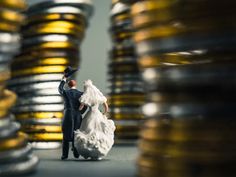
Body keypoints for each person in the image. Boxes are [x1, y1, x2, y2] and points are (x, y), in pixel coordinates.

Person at [74, 80, 115, 160]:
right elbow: (106, 106)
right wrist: (104, 113)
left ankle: (91, 145)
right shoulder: (98, 97)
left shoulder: (88, 97)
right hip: (97, 114)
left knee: (88, 127)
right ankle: (96, 146)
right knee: (95, 127)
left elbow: (81, 107)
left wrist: (77, 110)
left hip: (90, 114)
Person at [58, 76, 87, 160]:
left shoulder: (66, 92)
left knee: (66, 134)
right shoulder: (81, 93)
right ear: (75, 85)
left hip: (68, 114)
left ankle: (65, 155)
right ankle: (76, 152)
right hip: (77, 114)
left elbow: (60, 89)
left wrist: (63, 80)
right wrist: (80, 112)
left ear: (68, 85)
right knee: (76, 133)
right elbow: (85, 105)